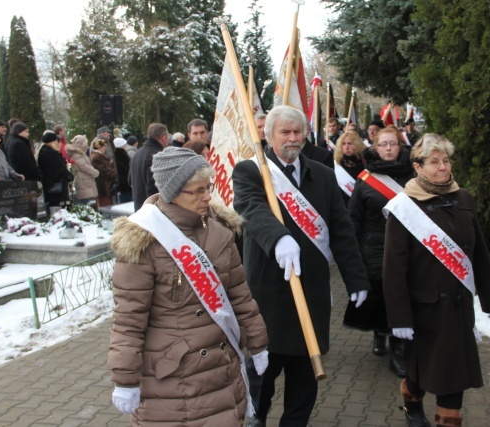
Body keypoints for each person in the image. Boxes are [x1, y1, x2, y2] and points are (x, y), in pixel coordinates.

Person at [108, 146, 269, 425]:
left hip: (221, 370)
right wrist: (125, 379)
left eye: (209, 187)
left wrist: (258, 342)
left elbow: (240, 295)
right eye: (198, 190)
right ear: (172, 192)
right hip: (174, 380)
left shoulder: (219, 230)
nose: (208, 196)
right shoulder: (143, 241)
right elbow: (128, 321)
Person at [232, 105, 370, 427]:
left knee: (304, 385)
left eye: (298, 132)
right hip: (270, 296)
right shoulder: (251, 171)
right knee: (263, 378)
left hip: (312, 294)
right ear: (269, 136)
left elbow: (342, 230)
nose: (293, 139)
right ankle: (255, 418)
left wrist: (356, 279)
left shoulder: (322, 174)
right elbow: (250, 207)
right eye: (285, 132)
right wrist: (278, 237)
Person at [382, 134, 490, 427]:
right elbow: (393, 269)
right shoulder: (405, 206)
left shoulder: (464, 198)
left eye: (446, 161)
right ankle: (412, 407)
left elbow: (479, 252)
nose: (442, 168)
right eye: (434, 162)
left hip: (460, 309)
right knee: (419, 374)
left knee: (453, 379)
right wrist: (399, 318)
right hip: (425, 310)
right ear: (418, 166)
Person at [344, 125, 415, 378]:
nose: (388, 148)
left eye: (392, 144)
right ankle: (379, 334)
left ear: (400, 146)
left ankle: (397, 348)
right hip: (373, 247)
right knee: (379, 297)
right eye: (383, 144)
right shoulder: (364, 178)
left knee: (399, 296)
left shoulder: (413, 175)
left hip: (405, 249)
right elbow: (354, 219)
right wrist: (352, 254)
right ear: (376, 147)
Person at [129, 123, 168, 210]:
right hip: (151, 210)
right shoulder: (157, 155)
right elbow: (153, 187)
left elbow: (130, 180)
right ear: (164, 137)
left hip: (139, 206)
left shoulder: (137, 154)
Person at [37, 132, 72, 212]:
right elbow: (61, 168)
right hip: (57, 185)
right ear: (53, 142)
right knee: (59, 207)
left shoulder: (43, 152)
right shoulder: (53, 153)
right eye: (57, 141)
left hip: (49, 185)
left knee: (52, 206)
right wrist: (70, 176)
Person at [332, 131, 365, 206]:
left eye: (349, 144)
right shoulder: (336, 164)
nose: (346, 147)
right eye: (343, 144)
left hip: (358, 205)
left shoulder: (364, 164)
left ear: (357, 145)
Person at [65, 135, 99, 206]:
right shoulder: (77, 155)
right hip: (83, 181)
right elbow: (84, 166)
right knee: (84, 202)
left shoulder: (80, 153)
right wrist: (95, 172)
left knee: (85, 202)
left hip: (84, 180)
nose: (87, 144)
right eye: (85, 142)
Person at [90, 138, 117, 208]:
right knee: (105, 203)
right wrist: (114, 174)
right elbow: (104, 170)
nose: (105, 148)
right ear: (99, 147)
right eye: (103, 146)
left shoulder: (98, 155)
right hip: (102, 184)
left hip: (104, 183)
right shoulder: (97, 157)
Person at [113, 137, 132, 203]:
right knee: (126, 199)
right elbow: (127, 168)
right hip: (125, 181)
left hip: (123, 181)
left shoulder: (118, 154)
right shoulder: (121, 155)